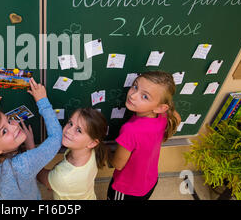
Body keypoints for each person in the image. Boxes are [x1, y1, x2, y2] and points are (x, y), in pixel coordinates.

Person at [0, 78, 62, 200]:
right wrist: (42, 101)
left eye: (9, 120)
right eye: (4, 131)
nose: (14, 126)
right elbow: (56, 137)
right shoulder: (24, 164)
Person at [107, 71, 181, 201]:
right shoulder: (164, 117)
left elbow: (117, 164)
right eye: (135, 87)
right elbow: (177, 118)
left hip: (127, 189)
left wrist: (103, 152)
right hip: (150, 181)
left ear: (160, 107)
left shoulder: (130, 130)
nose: (133, 96)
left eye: (145, 96)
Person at [37, 108, 110, 199]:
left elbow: (40, 175)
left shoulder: (64, 177)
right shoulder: (90, 151)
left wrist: (30, 147)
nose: (68, 130)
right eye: (70, 123)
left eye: (79, 130)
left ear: (92, 143)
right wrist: (55, 182)